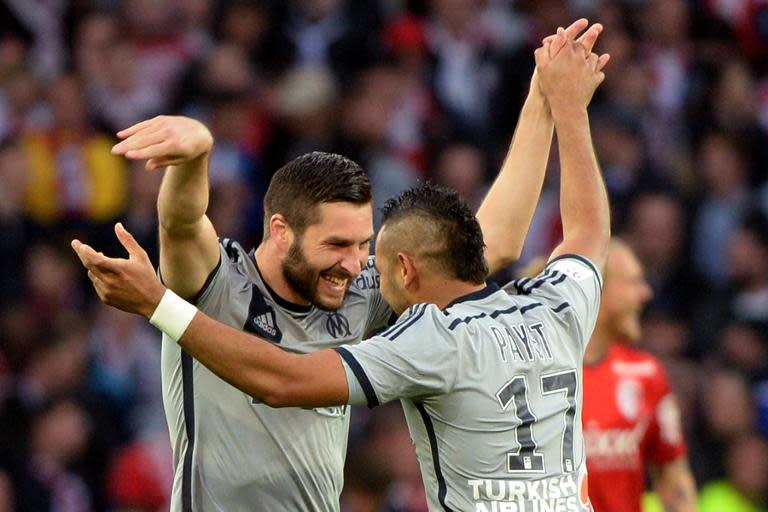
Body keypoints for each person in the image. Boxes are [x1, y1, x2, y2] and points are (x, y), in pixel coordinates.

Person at [74, 30, 610, 511]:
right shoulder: (217, 282)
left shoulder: (362, 290)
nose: (355, 264)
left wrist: (543, 98)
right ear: (281, 231)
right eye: (337, 245)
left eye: (364, 244)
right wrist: (195, 157)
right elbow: (183, 220)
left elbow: (488, 243)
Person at [581, 240, 697, 512]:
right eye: (634, 282)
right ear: (598, 289)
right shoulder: (544, 373)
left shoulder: (646, 374)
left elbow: (672, 476)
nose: (645, 293)